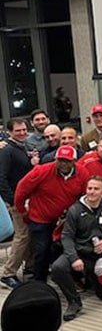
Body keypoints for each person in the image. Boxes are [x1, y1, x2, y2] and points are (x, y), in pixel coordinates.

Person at [14, 145, 89, 282]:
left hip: (64, 219)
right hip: (40, 218)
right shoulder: (42, 171)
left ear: (74, 161)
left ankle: (68, 279)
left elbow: (84, 197)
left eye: (67, 160)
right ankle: (40, 283)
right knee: (41, 251)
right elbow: (21, 189)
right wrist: (22, 211)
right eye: (60, 160)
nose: (63, 164)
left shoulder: (82, 173)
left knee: (63, 249)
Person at [51, 176, 102, 321]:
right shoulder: (75, 210)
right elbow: (66, 237)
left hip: (101, 255)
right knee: (58, 267)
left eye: (96, 189)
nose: (92, 192)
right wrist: (74, 258)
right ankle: (74, 302)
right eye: (90, 188)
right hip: (80, 252)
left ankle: (91, 278)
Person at [0, 118, 35, 289]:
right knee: (22, 237)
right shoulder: (7, 151)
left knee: (28, 235)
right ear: (9, 132)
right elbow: (1, 178)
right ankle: (7, 273)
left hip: (28, 200)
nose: (22, 133)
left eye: (23, 130)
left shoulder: (22, 147)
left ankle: (30, 268)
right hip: (17, 202)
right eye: (18, 131)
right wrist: (13, 201)